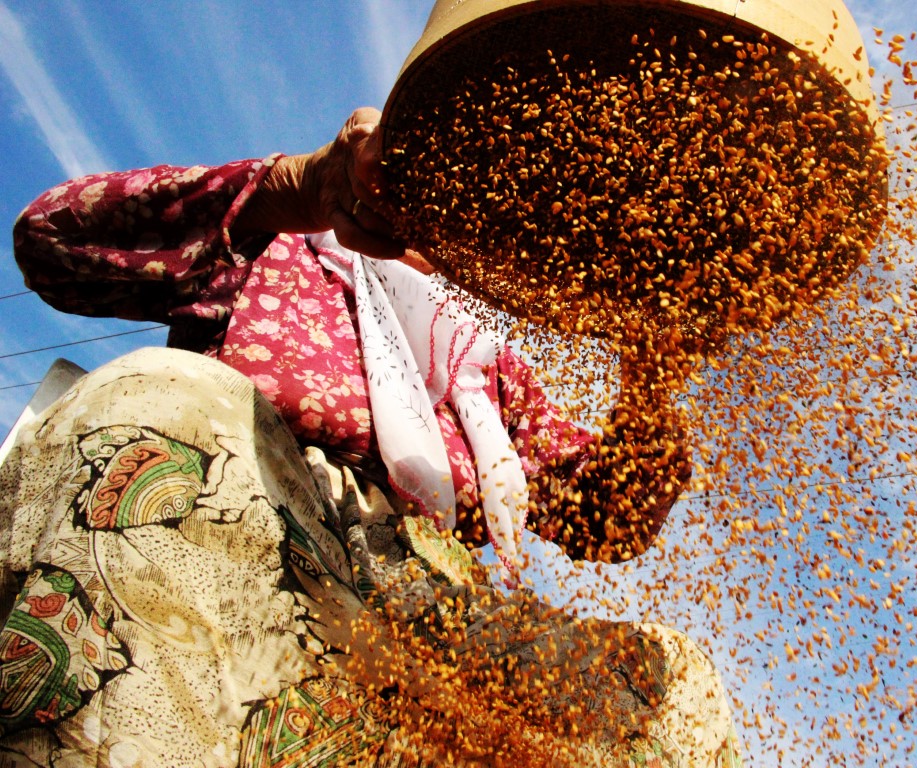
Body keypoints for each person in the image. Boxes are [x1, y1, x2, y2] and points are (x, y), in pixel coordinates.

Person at [1, 108, 740, 766]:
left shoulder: (485, 373)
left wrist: (654, 358)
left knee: (674, 686)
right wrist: (299, 187)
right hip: (260, 527)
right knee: (175, 397)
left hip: (435, 610)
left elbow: (608, 518)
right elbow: (54, 239)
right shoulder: (274, 252)